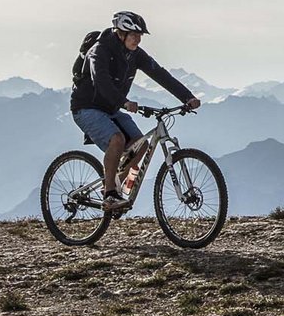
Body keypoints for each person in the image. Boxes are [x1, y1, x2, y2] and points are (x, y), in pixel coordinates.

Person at [70, 11, 202, 211]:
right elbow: (101, 81)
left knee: (141, 146)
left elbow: (160, 74)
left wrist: (187, 97)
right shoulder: (100, 50)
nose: (138, 39)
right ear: (120, 33)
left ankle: (116, 185)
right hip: (86, 107)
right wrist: (123, 102)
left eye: (140, 35)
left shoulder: (135, 54)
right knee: (117, 140)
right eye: (133, 34)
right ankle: (110, 194)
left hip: (111, 108)